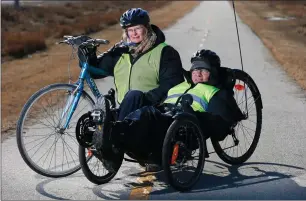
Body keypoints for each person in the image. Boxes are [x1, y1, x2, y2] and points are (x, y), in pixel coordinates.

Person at [101, 49, 245, 172]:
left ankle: (112, 132)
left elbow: (217, 124)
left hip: (179, 125)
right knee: (134, 95)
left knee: (147, 115)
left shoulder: (214, 93)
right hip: (161, 113)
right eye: (195, 69)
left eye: (203, 70)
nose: (198, 74)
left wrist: (193, 113)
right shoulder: (180, 86)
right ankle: (110, 131)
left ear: (212, 72)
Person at [84, 8, 184, 121]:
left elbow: (172, 84)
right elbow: (93, 71)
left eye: (138, 29)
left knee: (133, 97)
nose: (134, 34)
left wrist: (143, 99)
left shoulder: (165, 52)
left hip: (154, 111)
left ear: (147, 28)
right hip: (125, 111)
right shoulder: (120, 53)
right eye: (130, 30)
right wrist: (88, 54)